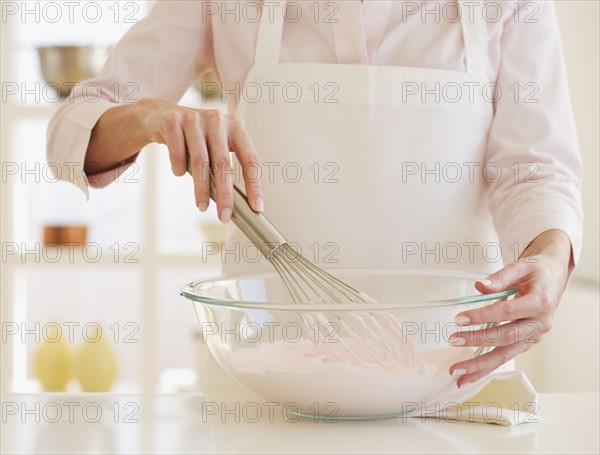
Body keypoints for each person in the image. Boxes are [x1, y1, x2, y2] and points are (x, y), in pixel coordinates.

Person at [47, 0, 582, 388]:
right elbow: (70, 132)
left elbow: (534, 171)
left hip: (453, 381)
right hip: (267, 386)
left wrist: (550, 258)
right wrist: (150, 117)